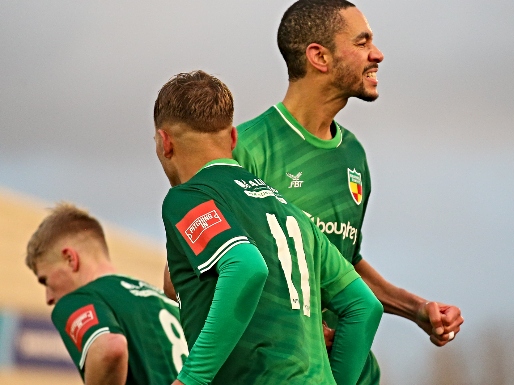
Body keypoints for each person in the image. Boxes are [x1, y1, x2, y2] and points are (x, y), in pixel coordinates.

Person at [232, 1, 464, 383]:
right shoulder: (247, 149)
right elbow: (189, 275)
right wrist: (288, 331)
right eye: (362, 42)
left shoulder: (353, 155)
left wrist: (417, 310)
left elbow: (344, 264)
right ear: (319, 56)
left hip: (351, 373)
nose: (378, 54)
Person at [154, 70, 383, 385]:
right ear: (233, 139)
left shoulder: (187, 197)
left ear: (165, 143)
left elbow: (246, 267)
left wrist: (192, 378)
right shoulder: (291, 212)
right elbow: (364, 306)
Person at [25, 203, 186, 385]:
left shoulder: (79, 298)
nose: (49, 298)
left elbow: (110, 348)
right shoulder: (166, 302)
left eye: (45, 280)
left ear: (70, 259)